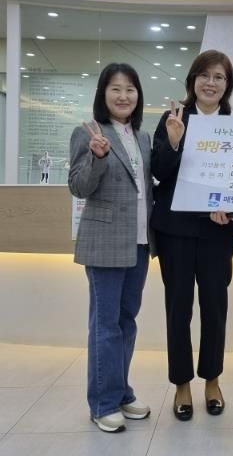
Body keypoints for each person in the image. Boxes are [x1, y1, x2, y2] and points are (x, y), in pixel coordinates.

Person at [151, 50, 233, 421]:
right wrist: (173, 143)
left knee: (215, 308)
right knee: (178, 308)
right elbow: (158, 172)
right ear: (193, 80)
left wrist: (232, 209)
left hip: (218, 231)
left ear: (227, 85)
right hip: (175, 230)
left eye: (219, 77)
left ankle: (212, 379)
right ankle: (182, 384)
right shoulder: (174, 118)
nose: (211, 83)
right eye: (204, 75)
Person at [68, 63, 153, 433]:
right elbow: (78, 187)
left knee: (126, 321)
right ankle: (102, 403)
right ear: (103, 94)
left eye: (130, 89)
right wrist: (98, 158)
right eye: (115, 89)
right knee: (105, 325)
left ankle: (120, 392)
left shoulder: (142, 137)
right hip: (104, 242)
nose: (123, 96)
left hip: (139, 242)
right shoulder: (88, 132)